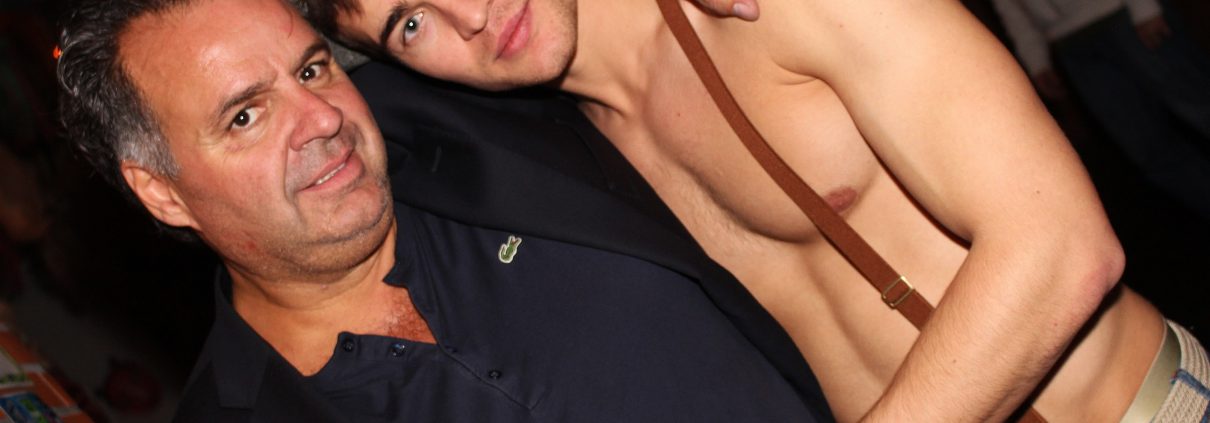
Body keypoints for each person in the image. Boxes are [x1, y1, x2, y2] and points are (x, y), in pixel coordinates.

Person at [315, 0, 1210, 420]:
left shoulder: (761, 9)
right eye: (410, 21)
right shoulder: (559, 152)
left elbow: (1060, 246)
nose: (469, 12)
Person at [55, 0, 835, 421]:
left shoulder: (462, 116)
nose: (321, 118)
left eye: (313, 69)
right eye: (246, 116)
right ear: (161, 190)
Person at [993, 0, 1210, 223]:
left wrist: (1144, 7)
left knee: (1200, 106)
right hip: (1069, 44)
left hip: (1122, 14)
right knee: (1149, 150)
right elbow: (1008, 6)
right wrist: (1036, 61)